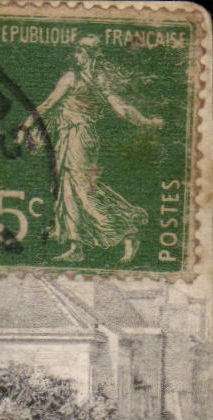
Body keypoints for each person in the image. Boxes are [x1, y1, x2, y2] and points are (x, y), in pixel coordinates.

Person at [16, 36, 162, 264]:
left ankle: (128, 230)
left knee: (83, 190)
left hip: (78, 137)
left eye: (79, 52)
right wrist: (147, 122)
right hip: (79, 137)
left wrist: (24, 126)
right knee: (69, 188)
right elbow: (123, 110)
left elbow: (47, 104)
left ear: (88, 54)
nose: (75, 56)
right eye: (76, 51)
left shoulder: (72, 78)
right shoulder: (101, 80)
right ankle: (76, 246)